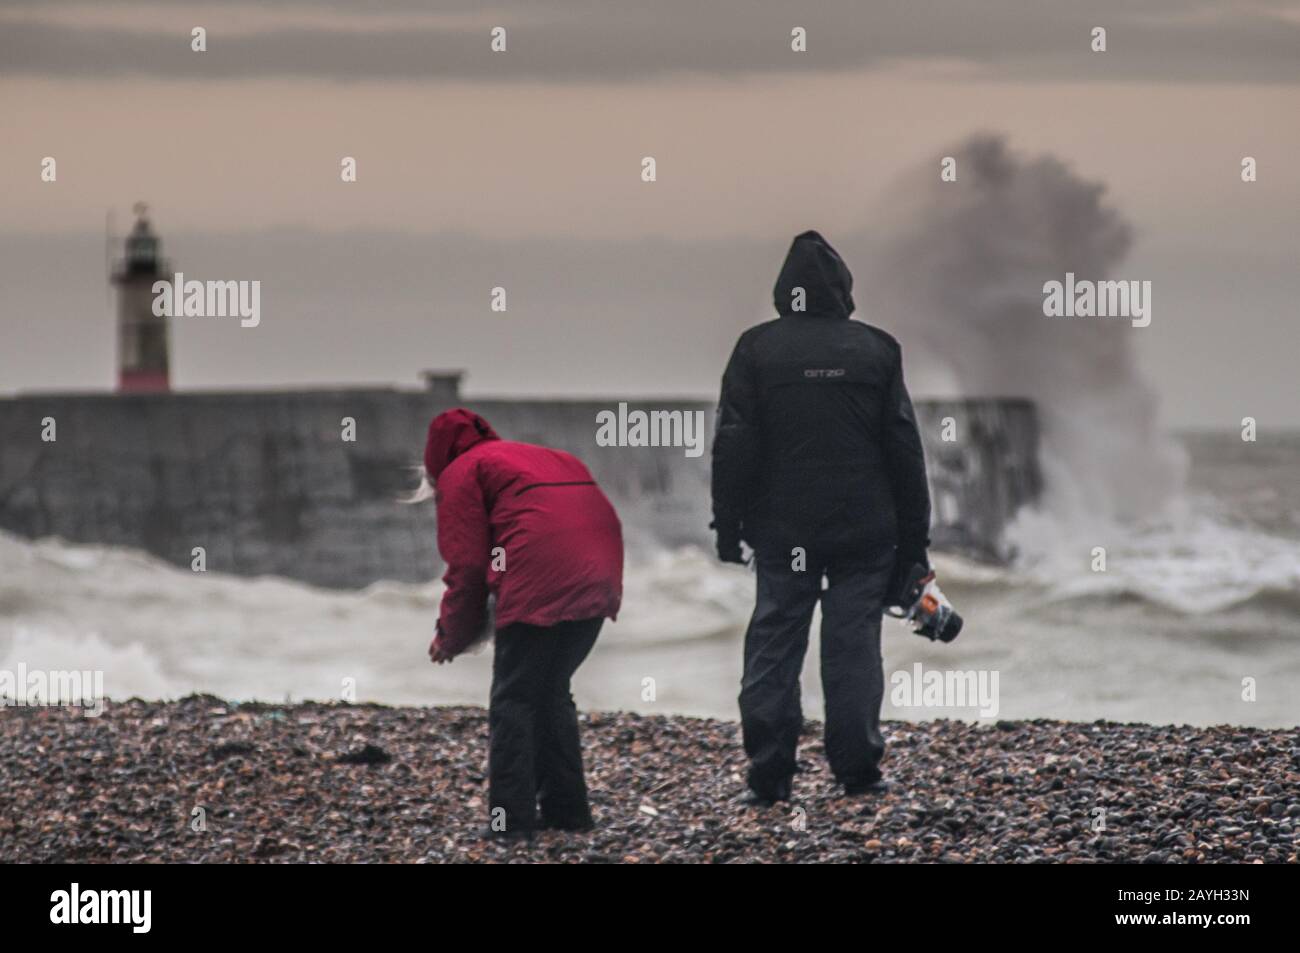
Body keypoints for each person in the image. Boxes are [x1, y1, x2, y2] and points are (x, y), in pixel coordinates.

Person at [711, 231, 932, 805]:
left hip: (783, 533)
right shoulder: (877, 350)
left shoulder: (756, 349)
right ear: (843, 290)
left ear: (786, 291)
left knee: (773, 645)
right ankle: (859, 772)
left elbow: (734, 446)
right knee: (854, 648)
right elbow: (904, 451)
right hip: (865, 532)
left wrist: (728, 527)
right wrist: (915, 546)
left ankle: (768, 777)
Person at [421, 408, 623, 838]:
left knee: (513, 700)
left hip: (540, 581)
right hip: (599, 575)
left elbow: (468, 566)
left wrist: (449, 637)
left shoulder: (462, 472)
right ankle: (569, 815)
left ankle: (509, 823)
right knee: (551, 692)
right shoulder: (549, 457)